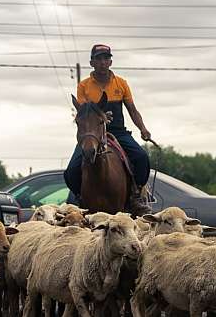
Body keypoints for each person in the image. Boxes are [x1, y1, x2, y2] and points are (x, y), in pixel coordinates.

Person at [64, 43, 152, 215]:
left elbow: (132, 110)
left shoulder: (121, 83)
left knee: (141, 158)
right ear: (92, 63)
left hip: (118, 132)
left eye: (106, 58)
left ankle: (135, 197)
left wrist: (143, 129)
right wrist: (100, 118)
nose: (103, 62)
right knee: (71, 171)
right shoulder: (84, 86)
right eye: (99, 59)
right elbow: (84, 112)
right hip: (93, 132)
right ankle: (78, 198)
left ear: (110, 62)